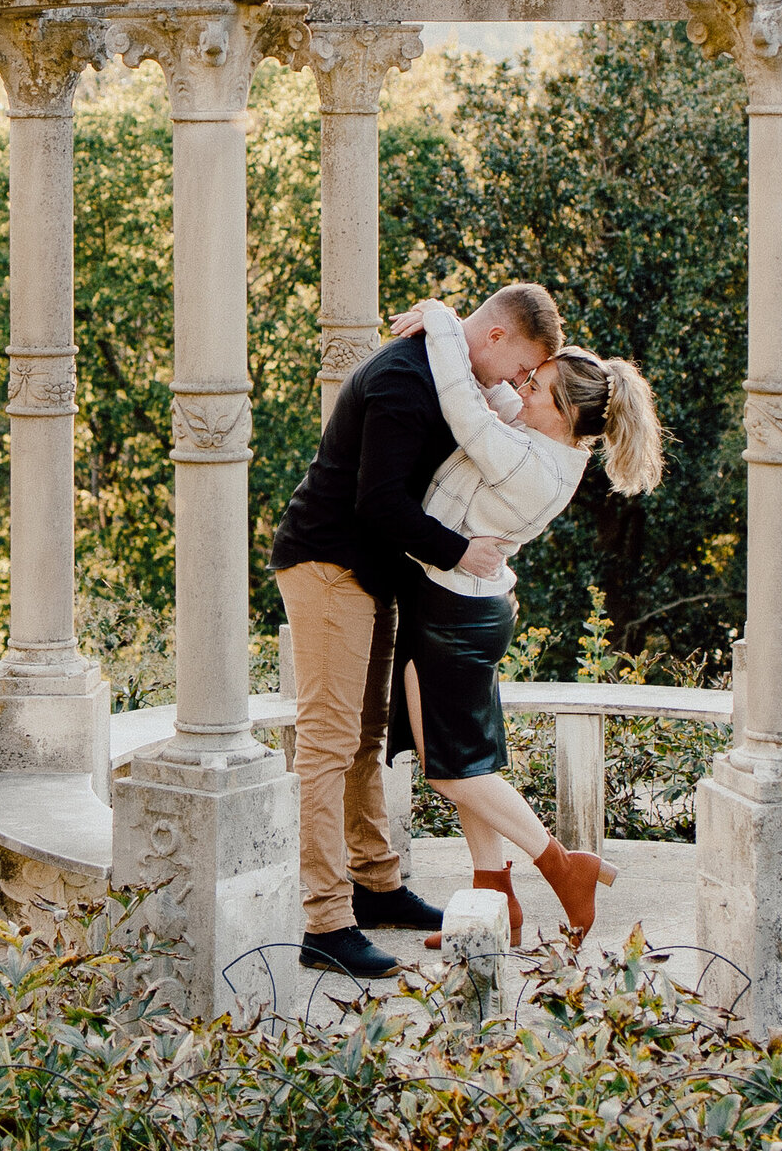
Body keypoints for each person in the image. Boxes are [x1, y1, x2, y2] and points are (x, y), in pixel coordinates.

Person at [270, 284, 566, 979]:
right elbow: (378, 503)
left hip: (370, 573)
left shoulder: (450, 367)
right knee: (328, 743)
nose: (519, 383)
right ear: (494, 337)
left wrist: (438, 314)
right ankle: (326, 922)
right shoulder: (405, 381)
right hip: (328, 562)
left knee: (366, 739)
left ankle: (376, 888)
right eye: (520, 366)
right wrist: (461, 552)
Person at [384, 298, 665, 950]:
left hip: (454, 612)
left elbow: (462, 402)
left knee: (453, 771)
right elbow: (492, 401)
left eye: (534, 385)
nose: (520, 386)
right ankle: (496, 902)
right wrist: (471, 341)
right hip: (461, 603)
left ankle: (563, 866)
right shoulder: (546, 442)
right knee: (467, 764)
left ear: (565, 413)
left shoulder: (530, 462)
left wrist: (446, 321)